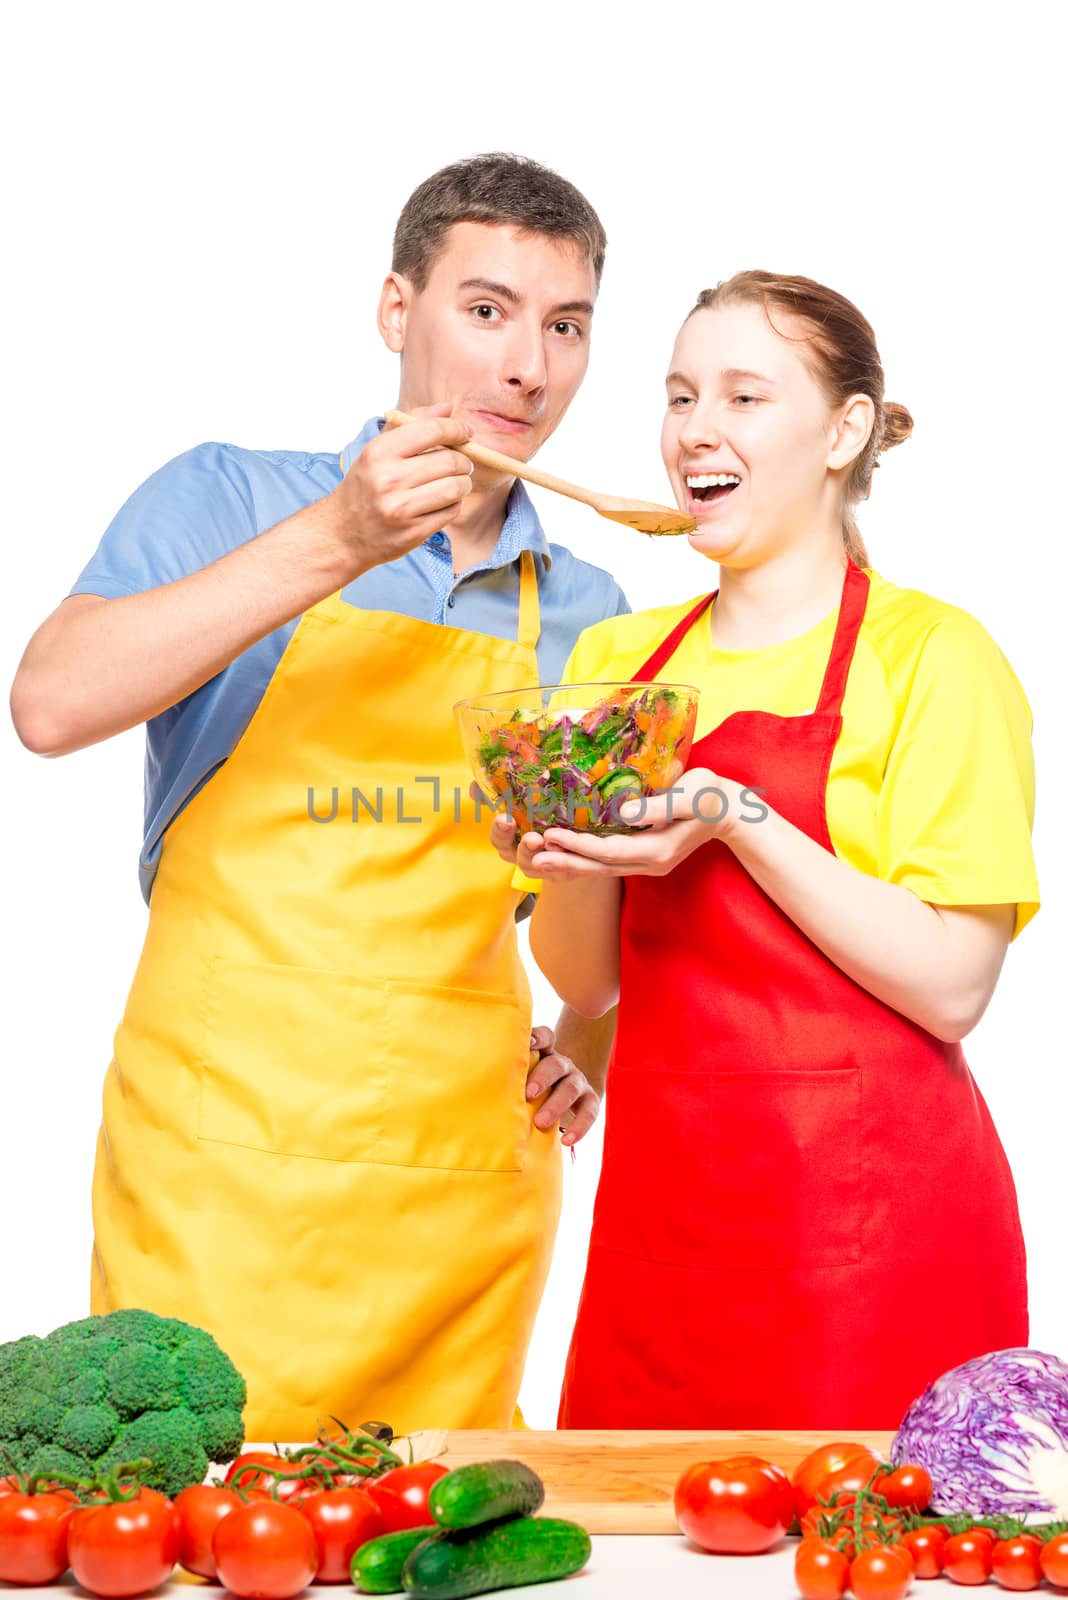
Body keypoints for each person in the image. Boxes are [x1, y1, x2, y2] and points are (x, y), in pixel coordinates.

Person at [9, 153, 629, 1438]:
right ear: (397, 310)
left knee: (436, 1549)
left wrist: (588, 1040)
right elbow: (51, 704)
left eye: (565, 326)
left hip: (459, 1190)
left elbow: (603, 903)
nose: (528, 366)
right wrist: (340, 538)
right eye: (487, 309)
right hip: (218, 1162)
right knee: (187, 1531)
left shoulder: (593, 614)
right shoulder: (226, 496)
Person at [491, 271, 1039, 1428]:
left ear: (843, 431)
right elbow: (593, 983)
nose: (697, 429)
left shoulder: (936, 657)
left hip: (877, 1241)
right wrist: (562, 848)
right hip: (664, 1236)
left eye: (745, 396)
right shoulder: (628, 660)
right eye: (682, 394)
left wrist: (738, 818)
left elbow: (953, 985)